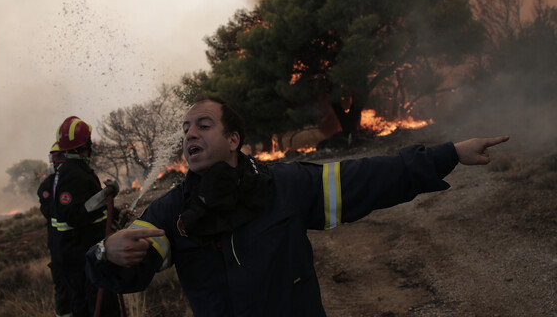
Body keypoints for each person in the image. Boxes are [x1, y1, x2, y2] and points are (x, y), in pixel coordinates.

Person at [85, 95, 509, 316]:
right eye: (185, 129)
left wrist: (448, 153)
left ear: (233, 140)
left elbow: (371, 177)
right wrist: (107, 252)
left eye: (203, 125)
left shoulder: (284, 185)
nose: (189, 134)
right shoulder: (171, 213)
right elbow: (129, 272)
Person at [51, 116, 122, 317]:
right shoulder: (72, 174)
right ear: (86, 143)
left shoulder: (75, 170)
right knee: (99, 305)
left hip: (81, 252)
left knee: (86, 305)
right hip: (81, 254)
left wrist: (116, 213)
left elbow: (90, 205)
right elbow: (75, 214)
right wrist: (105, 194)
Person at [38, 142, 72, 317]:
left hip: (75, 247)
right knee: (63, 290)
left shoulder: (75, 181)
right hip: (58, 248)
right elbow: (49, 211)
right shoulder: (46, 186)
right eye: (54, 158)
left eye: (60, 157)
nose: (57, 162)